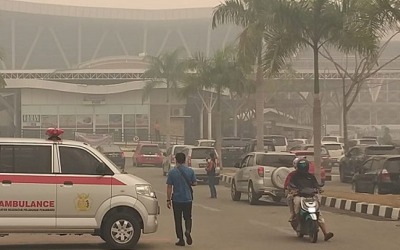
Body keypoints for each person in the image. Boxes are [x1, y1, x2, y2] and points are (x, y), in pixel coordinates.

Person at [289, 159, 334, 242]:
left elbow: (316, 184)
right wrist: (293, 190)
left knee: (319, 213)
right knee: (297, 204)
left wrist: (319, 189)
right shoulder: (294, 176)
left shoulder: (311, 176)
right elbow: (291, 184)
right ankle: (295, 218)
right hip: (300, 196)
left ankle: (325, 233)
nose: (303, 170)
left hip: (311, 197)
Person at [166, 152, 197, 246]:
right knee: (188, 217)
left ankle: (181, 239)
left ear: (176, 160)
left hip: (176, 199)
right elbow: (194, 183)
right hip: (187, 199)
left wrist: (168, 200)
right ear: (185, 160)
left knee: (177, 219)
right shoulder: (190, 171)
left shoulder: (172, 172)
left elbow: (169, 187)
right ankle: (188, 231)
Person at [284, 157, 300, 222]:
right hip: (298, 193)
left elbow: (314, 183)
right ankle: (293, 214)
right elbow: (287, 183)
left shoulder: (309, 175)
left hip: (309, 194)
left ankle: (325, 231)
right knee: (290, 198)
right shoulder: (292, 174)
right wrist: (290, 189)